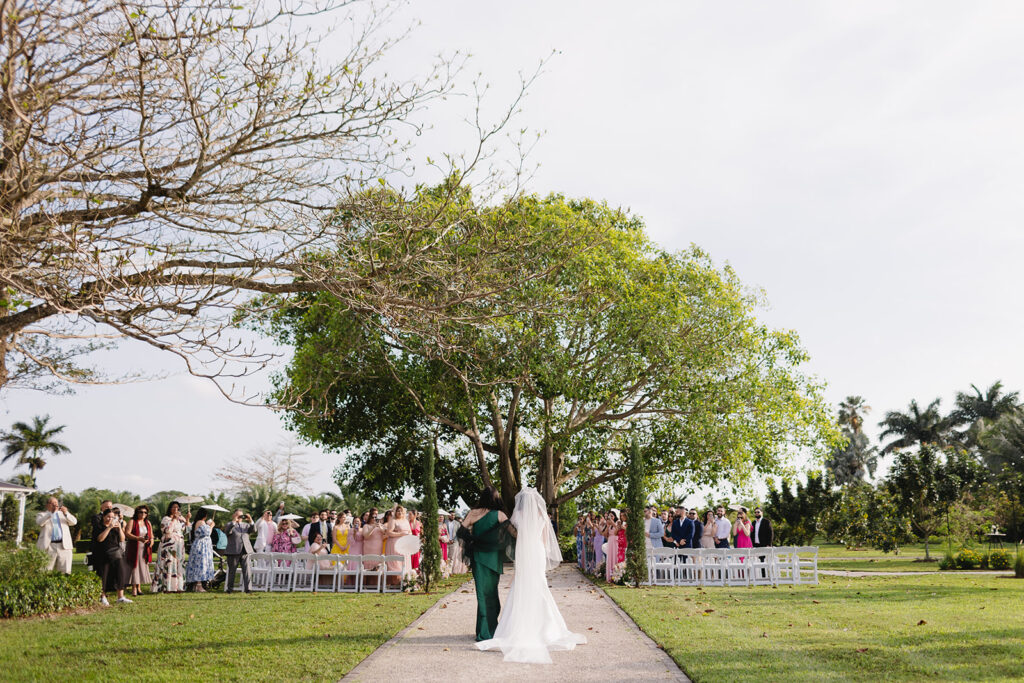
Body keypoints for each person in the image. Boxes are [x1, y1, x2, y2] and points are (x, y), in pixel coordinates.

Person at [475, 486, 586, 664]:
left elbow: (511, 536)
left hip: (525, 551)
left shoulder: (517, 516)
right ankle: (546, 627)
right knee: (539, 585)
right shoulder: (543, 516)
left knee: (522, 586)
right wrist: (540, 551)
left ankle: (516, 627)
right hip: (537, 551)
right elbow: (544, 540)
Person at [459, 486, 509, 642]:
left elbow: (461, 532)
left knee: (483, 594)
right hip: (493, 558)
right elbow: (514, 533)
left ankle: (485, 630)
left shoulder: (473, 514)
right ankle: (487, 631)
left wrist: (475, 540)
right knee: (491, 593)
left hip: (479, 557)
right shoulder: (500, 515)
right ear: (496, 498)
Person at [96, 508, 131, 605]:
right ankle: (102, 596)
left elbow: (122, 539)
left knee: (120, 573)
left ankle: (120, 596)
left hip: (116, 553)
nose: (109, 519)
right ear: (103, 517)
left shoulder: (116, 527)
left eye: (112, 517)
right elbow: (100, 539)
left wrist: (119, 528)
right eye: (108, 517)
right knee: (104, 576)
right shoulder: (99, 526)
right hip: (103, 554)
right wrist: (109, 528)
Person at [36, 496, 77, 574]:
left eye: (56, 503)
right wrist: (51, 513)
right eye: (52, 503)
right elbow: (40, 523)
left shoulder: (63, 514)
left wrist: (66, 513)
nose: (55, 505)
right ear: (47, 505)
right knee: (45, 570)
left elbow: (74, 522)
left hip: (64, 546)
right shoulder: (42, 515)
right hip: (48, 546)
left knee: (65, 571)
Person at [154, 501, 188, 593]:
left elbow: (186, 530)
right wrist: (174, 519)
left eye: (177, 508)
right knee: (169, 564)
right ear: (170, 508)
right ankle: (166, 587)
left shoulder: (180, 519)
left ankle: (177, 587)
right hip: (168, 546)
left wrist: (187, 520)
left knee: (178, 565)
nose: (176, 509)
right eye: (173, 507)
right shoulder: (166, 519)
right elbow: (167, 530)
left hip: (179, 545)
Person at [124, 505, 153, 596]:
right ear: (137, 512)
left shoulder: (147, 523)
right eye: (141, 512)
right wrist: (138, 538)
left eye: (145, 512)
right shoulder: (132, 521)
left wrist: (151, 541)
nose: (143, 514)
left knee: (141, 567)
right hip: (134, 547)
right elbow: (127, 533)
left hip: (144, 548)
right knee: (134, 567)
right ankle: (134, 588)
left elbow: (151, 535)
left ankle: (139, 588)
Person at [185, 509, 215, 591]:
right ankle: (199, 585)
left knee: (201, 564)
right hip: (202, 546)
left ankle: (197, 584)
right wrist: (211, 526)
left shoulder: (198, 522)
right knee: (201, 564)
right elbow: (207, 533)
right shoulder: (201, 522)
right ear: (205, 516)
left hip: (203, 545)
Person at [224, 510, 253, 593]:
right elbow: (227, 532)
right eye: (238, 515)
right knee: (232, 571)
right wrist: (234, 521)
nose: (240, 517)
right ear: (234, 515)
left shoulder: (246, 525)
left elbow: (254, 529)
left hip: (245, 550)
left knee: (247, 570)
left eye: (241, 516)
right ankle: (230, 589)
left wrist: (250, 520)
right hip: (233, 551)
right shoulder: (229, 524)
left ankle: (248, 589)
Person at [385, 506, 412, 582]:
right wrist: (401, 534)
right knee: (396, 563)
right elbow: (389, 532)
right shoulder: (393, 521)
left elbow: (410, 531)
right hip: (394, 544)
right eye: (398, 511)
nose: (400, 513)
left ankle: (405, 581)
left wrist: (409, 535)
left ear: (404, 512)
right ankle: (395, 582)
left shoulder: (406, 521)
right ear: (395, 512)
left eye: (401, 511)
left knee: (404, 562)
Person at [600, 511, 619, 581]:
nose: (611, 517)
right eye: (609, 516)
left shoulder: (617, 522)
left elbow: (618, 530)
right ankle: (610, 576)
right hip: (610, 541)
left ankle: (616, 575)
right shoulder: (609, 525)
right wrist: (608, 526)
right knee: (610, 557)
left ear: (615, 516)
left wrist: (612, 523)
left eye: (612, 516)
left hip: (616, 541)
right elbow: (604, 535)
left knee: (615, 556)